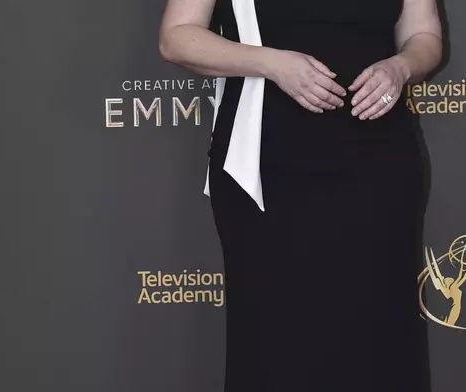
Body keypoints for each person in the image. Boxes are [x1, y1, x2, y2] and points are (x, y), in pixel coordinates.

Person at [159, 1, 442, 391]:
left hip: (377, 166)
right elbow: (176, 37)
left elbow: (423, 34)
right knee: (277, 342)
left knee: (378, 337)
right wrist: (273, 64)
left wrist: (402, 67)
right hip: (269, 167)